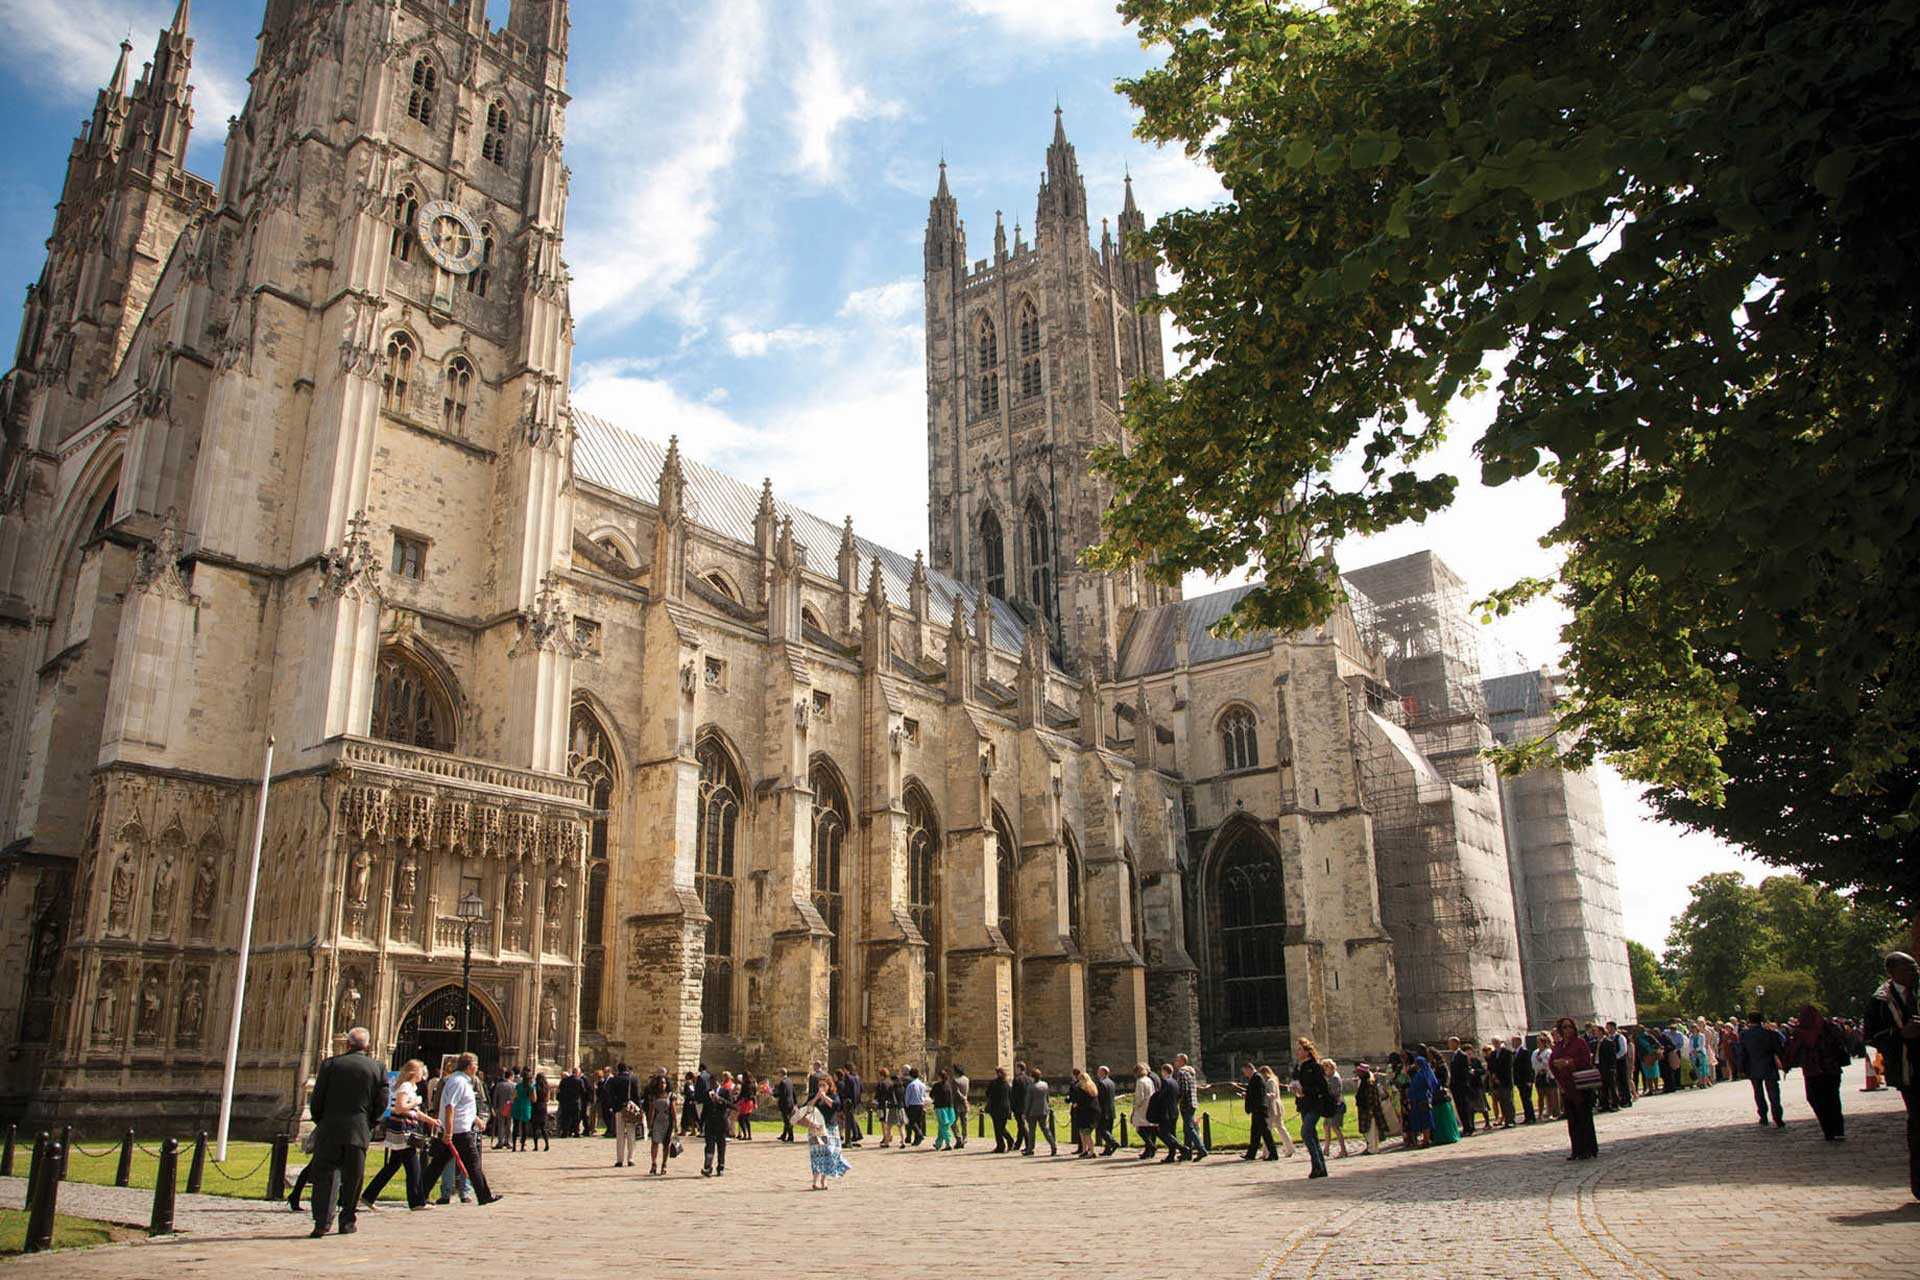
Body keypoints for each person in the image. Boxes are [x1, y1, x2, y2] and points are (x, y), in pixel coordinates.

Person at [301, 1026, 389, 1238]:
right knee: (353, 1178)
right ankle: (347, 1220)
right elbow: (382, 1101)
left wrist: (322, 1120)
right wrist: (370, 1123)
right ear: (366, 1046)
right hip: (358, 1130)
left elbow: (317, 1099)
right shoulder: (377, 1068)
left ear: (348, 1044)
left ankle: (322, 1222)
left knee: (325, 1176)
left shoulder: (330, 1065)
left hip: (330, 1128)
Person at [1866, 951, 1920, 1200]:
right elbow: (1872, 1036)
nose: (1914, 971)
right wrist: (1901, 1034)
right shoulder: (1881, 1001)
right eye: (1909, 968)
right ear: (1893, 972)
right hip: (1909, 1068)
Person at [420, 1052, 502, 1207]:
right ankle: (484, 1195)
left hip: (458, 1129)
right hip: (459, 1132)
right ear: (470, 1066)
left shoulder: (462, 1081)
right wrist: (449, 1132)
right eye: (476, 1065)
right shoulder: (458, 1081)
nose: (477, 1068)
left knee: (437, 1164)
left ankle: (420, 1194)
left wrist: (476, 1119)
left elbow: (463, 1107)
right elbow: (450, 1107)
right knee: (473, 1163)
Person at [361, 1058, 437, 1211]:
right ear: (414, 1072)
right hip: (403, 1131)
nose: (424, 1073)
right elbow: (400, 1107)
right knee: (413, 1166)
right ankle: (417, 1202)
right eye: (421, 1070)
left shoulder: (410, 1087)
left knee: (393, 1165)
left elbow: (414, 1112)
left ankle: (368, 1195)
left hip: (402, 1128)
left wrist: (431, 1120)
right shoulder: (406, 1086)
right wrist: (415, 1102)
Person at [1784, 1002, 1849, 1141]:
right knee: (1832, 1099)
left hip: (1813, 1070)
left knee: (1816, 1099)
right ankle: (1837, 1129)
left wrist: (1787, 1064)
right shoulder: (1830, 1027)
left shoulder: (1801, 1032)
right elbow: (1841, 1042)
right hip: (1831, 1069)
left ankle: (1828, 1129)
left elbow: (1793, 1051)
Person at [1548, 1016, 1599, 1160]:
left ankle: (1588, 1148)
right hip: (1566, 1086)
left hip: (1580, 1085)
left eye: (1569, 1027)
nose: (1567, 1030)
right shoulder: (1559, 1046)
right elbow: (1552, 1063)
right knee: (1572, 1119)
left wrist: (1569, 1062)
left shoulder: (1580, 1043)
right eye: (1564, 1027)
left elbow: (1585, 1061)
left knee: (1584, 1117)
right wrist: (1558, 1072)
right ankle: (1576, 1149)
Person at [1290, 1038, 1333, 1178]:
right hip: (1303, 1104)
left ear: (1307, 1052)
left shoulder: (1314, 1066)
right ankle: (1320, 1168)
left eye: (1300, 1050)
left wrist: (1305, 1090)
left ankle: (1318, 1166)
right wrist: (1294, 1088)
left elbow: (1322, 1088)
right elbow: (1295, 1081)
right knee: (1312, 1136)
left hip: (1315, 1104)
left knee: (1306, 1133)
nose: (1297, 1052)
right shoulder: (1298, 1067)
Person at [1738, 1010, 1787, 1127]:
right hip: (1769, 1065)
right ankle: (1777, 1116)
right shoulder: (1771, 1034)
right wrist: (1785, 1064)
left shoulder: (1745, 1035)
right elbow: (1779, 1051)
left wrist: (1741, 1068)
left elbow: (1742, 1053)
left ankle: (1763, 1116)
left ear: (1749, 1021)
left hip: (1753, 1066)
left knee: (1758, 1093)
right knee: (1774, 1093)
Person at [802, 1077, 851, 1190]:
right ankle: (815, 1181)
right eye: (820, 1085)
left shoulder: (833, 1096)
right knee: (817, 1154)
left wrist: (824, 1097)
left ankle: (824, 1180)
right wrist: (816, 1098)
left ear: (829, 1086)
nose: (821, 1088)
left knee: (829, 1153)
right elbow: (807, 1108)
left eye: (824, 1085)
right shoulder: (814, 1096)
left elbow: (836, 1106)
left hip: (830, 1128)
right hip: (817, 1129)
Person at [1237, 1061, 1277, 1160]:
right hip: (1257, 1108)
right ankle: (1251, 1153)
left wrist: (1247, 1096)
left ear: (1249, 1068)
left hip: (1259, 1108)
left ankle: (1273, 1153)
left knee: (1265, 1132)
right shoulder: (1255, 1078)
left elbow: (1259, 1095)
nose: (1245, 1074)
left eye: (1245, 1072)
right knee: (1255, 1133)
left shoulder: (1257, 1078)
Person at [702, 1071, 737, 1176]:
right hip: (710, 1123)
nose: (712, 1085)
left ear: (718, 1082)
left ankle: (720, 1167)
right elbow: (705, 1109)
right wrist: (701, 1122)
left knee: (721, 1146)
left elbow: (731, 1105)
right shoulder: (707, 1093)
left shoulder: (725, 1091)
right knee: (709, 1146)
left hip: (721, 1122)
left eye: (714, 1082)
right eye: (710, 1083)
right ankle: (708, 1167)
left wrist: (719, 1099)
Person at [1173, 1053, 1208, 1159]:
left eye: (1177, 1060)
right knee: (1187, 1128)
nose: (1175, 1062)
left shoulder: (1182, 1072)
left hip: (1186, 1103)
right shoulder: (1191, 1072)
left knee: (1189, 1128)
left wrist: (1177, 1100)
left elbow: (1183, 1089)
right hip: (1192, 1102)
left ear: (1182, 1061)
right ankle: (1187, 1152)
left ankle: (1201, 1149)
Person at [605, 1062, 640, 1166]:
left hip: (619, 1109)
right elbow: (637, 1095)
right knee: (631, 1134)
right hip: (631, 1108)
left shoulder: (613, 1080)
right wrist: (638, 1108)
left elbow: (610, 1094)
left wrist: (614, 1106)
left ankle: (619, 1159)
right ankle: (631, 1158)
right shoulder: (634, 1079)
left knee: (620, 1135)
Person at [1259, 1065, 1297, 1157]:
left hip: (1272, 1108)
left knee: (1268, 1129)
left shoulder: (1271, 1081)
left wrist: (1263, 1094)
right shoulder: (1271, 1080)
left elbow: (1273, 1094)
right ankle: (1289, 1149)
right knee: (1280, 1128)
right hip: (1275, 1107)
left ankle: (1266, 1152)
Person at [1147, 1062, 1183, 1162]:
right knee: (1172, 1133)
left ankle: (1182, 1148)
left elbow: (1161, 1097)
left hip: (1166, 1112)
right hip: (1174, 1110)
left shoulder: (1166, 1082)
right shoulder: (1175, 1082)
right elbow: (1179, 1095)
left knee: (1164, 1133)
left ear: (1164, 1071)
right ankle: (1171, 1155)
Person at [1354, 1063, 1390, 1155]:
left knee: (1372, 1129)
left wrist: (1369, 1109)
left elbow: (1371, 1098)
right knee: (1368, 1130)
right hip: (1364, 1108)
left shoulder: (1369, 1082)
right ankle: (1371, 1147)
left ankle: (1373, 1148)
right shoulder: (1363, 1082)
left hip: (1370, 1109)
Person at [1403, 1054, 1437, 1149]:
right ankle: (1426, 1139)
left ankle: (1426, 1140)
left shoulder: (1420, 1075)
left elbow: (1414, 1087)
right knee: (1425, 1120)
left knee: (1424, 1120)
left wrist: (1409, 1093)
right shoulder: (1426, 1073)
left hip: (1420, 1099)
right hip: (1424, 1098)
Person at [1446, 1038, 1476, 1136]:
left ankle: (1469, 1127)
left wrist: (1463, 1084)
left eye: (1450, 1043)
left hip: (1461, 1085)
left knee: (1464, 1107)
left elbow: (1464, 1071)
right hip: (1455, 1086)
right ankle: (1465, 1127)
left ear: (1456, 1043)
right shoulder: (1454, 1056)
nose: (1449, 1045)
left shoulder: (1462, 1055)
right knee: (1459, 1108)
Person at [1025, 1067, 1055, 1155]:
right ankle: (1053, 1145)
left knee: (1032, 1131)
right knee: (1046, 1129)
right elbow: (1047, 1098)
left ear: (1033, 1077)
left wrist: (1025, 1112)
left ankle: (1030, 1149)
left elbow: (1028, 1101)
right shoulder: (1045, 1084)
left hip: (1033, 1111)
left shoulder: (1031, 1087)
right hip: (1043, 1110)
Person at [985, 1067, 1014, 1152]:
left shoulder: (994, 1083)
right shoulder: (1007, 1084)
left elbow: (987, 1093)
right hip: (1004, 1108)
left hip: (996, 1108)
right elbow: (1010, 1096)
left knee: (998, 1128)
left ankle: (1003, 1144)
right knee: (1001, 1127)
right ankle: (1003, 1143)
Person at [1093, 1065, 1118, 1155]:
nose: (1097, 1073)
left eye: (1099, 1071)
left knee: (1101, 1129)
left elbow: (1100, 1099)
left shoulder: (1101, 1083)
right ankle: (1107, 1149)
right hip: (1111, 1110)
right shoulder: (1111, 1082)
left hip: (1103, 1111)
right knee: (1108, 1130)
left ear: (1103, 1072)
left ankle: (1113, 1143)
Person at [931, 1068, 957, 1150]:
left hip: (940, 1108)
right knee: (942, 1126)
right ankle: (938, 1143)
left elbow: (931, 1095)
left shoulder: (937, 1085)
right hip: (950, 1108)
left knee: (943, 1126)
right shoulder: (948, 1085)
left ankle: (948, 1143)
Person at [902, 1067, 929, 1146]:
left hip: (912, 1105)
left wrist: (906, 1105)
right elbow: (924, 1095)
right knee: (918, 1122)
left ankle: (919, 1134)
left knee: (911, 1122)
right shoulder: (922, 1084)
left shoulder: (911, 1085)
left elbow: (907, 1096)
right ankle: (917, 1140)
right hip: (920, 1104)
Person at [1009, 1062, 1033, 1153]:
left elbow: (1014, 1095)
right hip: (1028, 1105)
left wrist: (1012, 1107)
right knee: (1020, 1125)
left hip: (1019, 1106)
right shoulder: (1029, 1079)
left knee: (1022, 1125)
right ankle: (1018, 1144)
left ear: (1019, 1068)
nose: (1015, 1070)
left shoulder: (1017, 1079)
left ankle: (1028, 1144)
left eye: (1016, 1068)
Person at [773, 1070, 797, 1143]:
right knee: (787, 1120)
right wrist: (795, 1103)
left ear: (781, 1074)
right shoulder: (790, 1081)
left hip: (785, 1104)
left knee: (787, 1121)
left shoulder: (783, 1083)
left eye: (779, 1074)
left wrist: (773, 1094)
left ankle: (791, 1137)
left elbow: (782, 1094)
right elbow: (793, 1092)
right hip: (791, 1103)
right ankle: (784, 1135)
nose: (778, 1076)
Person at [951, 1065, 971, 1150]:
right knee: (964, 1122)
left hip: (957, 1103)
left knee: (953, 1122)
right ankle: (965, 1137)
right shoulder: (966, 1079)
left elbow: (956, 1092)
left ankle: (958, 1138)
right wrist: (965, 1099)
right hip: (965, 1103)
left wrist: (962, 1098)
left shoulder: (955, 1080)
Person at [735, 1071, 757, 1140]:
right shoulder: (753, 1083)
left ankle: (745, 1135)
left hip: (745, 1102)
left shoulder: (744, 1084)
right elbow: (755, 1093)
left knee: (740, 1118)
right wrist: (755, 1103)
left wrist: (735, 1101)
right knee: (747, 1119)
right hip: (751, 1102)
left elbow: (741, 1094)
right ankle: (749, 1135)